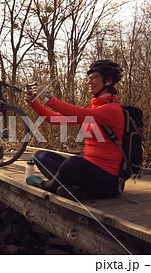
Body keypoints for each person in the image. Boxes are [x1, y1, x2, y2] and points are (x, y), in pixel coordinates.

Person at [24, 60, 124, 200]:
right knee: (40, 157)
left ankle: (46, 186)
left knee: (73, 163)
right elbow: (53, 119)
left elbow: (77, 113)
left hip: (107, 181)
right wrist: (34, 103)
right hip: (87, 172)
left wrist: (47, 98)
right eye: (89, 78)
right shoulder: (92, 109)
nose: (89, 82)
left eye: (94, 77)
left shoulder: (112, 109)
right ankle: (74, 189)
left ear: (108, 81)